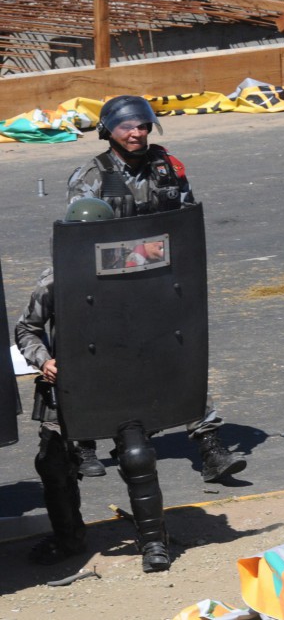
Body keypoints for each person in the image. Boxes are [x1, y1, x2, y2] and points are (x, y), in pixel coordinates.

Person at [66, 94, 246, 483]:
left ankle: (210, 446)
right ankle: (81, 443)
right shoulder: (92, 177)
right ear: (107, 131)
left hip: (162, 284)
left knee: (184, 359)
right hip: (107, 290)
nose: (136, 133)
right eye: (127, 126)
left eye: (142, 126)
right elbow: (81, 244)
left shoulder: (168, 167)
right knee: (98, 362)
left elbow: (186, 219)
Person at [15, 198, 171, 572]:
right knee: (53, 463)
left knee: (137, 457)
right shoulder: (55, 279)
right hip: (69, 383)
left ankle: (153, 543)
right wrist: (44, 361)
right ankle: (69, 538)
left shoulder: (135, 271)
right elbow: (27, 328)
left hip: (121, 380)